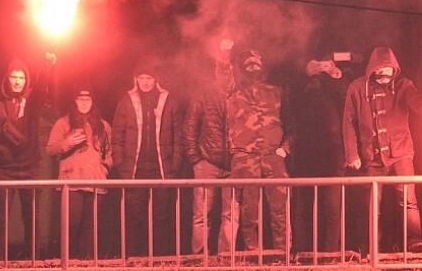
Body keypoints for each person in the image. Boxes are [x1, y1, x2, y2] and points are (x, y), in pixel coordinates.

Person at [342, 46, 422, 254]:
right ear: (373, 69)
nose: (384, 75)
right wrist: (352, 154)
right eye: (380, 71)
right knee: (372, 205)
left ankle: (414, 242)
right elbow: (348, 122)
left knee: (408, 200)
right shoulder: (357, 88)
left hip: (400, 152)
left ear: (394, 69)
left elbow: (418, 103)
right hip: (372, 156)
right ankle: (371, 247)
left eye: (388, 71)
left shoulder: (403, 85)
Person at [0, 59, 47, 259]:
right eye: (14, 76)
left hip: (30, 168)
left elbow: (41, 87)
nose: (17, 81)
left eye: (22, 77)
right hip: (4, 169)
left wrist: (47, 66)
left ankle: (33, 262)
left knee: (32, 218)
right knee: (0, 219)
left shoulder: (32, 101)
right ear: (7, 79)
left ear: (27, 81)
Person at [111, 60, 183, 256]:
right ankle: (134, 259)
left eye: (148, 78)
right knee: (135, 217)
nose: (144, 82)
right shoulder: (126, 101)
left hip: (161, 170)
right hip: (135, 171)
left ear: (155, 79)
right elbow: (117, 135)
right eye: (141, 77)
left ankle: (161, 260)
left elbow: (178, 135)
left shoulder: (168, 101)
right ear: (136, 79)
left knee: (161, 217)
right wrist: (120, 163)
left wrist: (175, 164)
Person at [226, 45, 293, 254]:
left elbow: (292, 124)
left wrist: (285, 148)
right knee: (249, 211)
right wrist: (224, 54)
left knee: (280, 209)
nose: (253, 68)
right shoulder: (233, 91)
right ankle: (252, 253)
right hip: (246, 158)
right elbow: (223, 76)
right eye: (248, 65)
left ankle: (283, 253)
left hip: (273, 157)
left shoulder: (277, 92)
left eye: (256, 64)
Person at [183, 38, 236, 256]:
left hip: (234, 164)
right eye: (222, 70)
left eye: (229, 71)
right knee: (202, 214)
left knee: (231, 215)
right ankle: (199, 257)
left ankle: (226, 257)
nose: (225, 75)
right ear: (216, 72)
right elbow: (190, 127)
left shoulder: (241, 95)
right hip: (207, 163)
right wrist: (196, 159)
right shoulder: (203, 94)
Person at [291, 56, 350, 253]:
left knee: (332, 208)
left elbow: (347, 100)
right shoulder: (302, 86)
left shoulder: (334, 84)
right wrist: (305, 75)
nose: (321, 68)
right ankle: (301, 252)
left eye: (325, 65)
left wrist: (336, 76)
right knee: (303, 208)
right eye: (317, 65)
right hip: (305, 155)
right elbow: (291, 99)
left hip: (332, 155)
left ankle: (331, 253)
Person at [46, 89, 112, 259]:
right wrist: (67, 143)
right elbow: (50, 149)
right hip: (72, 182)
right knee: (72, 223)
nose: (84, 102)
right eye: (80, 99)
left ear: (93, 102)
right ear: (74, 101)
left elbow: (109, 152)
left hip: (96, 182)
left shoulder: (103, 125)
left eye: (87, 99)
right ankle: (68, 261)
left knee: (91, 227)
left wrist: (105, 167)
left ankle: (87, 263)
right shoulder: (63, 123)